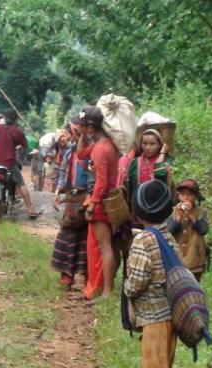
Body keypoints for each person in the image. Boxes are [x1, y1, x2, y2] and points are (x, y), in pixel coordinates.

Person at [124, 179, 178, 368]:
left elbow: (138, 281)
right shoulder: (169, 237)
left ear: (138, 211)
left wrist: (127, 288)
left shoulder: (142, 240)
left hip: (154, 318)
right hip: (172, 314)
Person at [78, 106, 120, 299]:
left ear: (90, 128)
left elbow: (101, 181)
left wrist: (94, 203)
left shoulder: (101, 150)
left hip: (102, 204)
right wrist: (83, 134)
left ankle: (106, 292)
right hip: (104, 201)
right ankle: (97, 288)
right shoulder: (104, 145)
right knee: (98, 247)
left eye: (83, 127)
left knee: (104, 247)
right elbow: (80, 154)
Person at [51, 118, 89, 289]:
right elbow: (62, 173)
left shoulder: (91, 150)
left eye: (75, 131)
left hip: (86, 196)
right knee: (67, 236)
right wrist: (59, 190)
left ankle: (88, 277)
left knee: (86, 238)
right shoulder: (68, 151)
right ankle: (67, 274)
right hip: (71, 198)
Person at [0, 110, 38, 218]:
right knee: (21, 183)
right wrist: (16, 147)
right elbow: (24, 146)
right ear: (15, 120)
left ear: (5, 118)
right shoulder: (18, 132)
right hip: (9, 163)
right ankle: (30, 208)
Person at [167, 178, 209, 282]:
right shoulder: (173, 212)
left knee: (194, 286)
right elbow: (169, 231)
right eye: (183, 194)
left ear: (196, 197)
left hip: (195, 259)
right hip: (177, 258)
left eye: (190, 194)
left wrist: (191, 216)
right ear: (178, 196)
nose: (186, 197)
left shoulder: (201, 212)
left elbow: (203, 230)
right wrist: (179, 218)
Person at [126, 129, 173, 208]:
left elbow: (160, 174)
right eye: (144, 143)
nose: (147, 147)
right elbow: (131, 187)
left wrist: (162, 153)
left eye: (152, 144)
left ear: (160, 145)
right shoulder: (135, 163)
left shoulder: (166, 161)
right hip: (138, 206)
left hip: (159, 205)